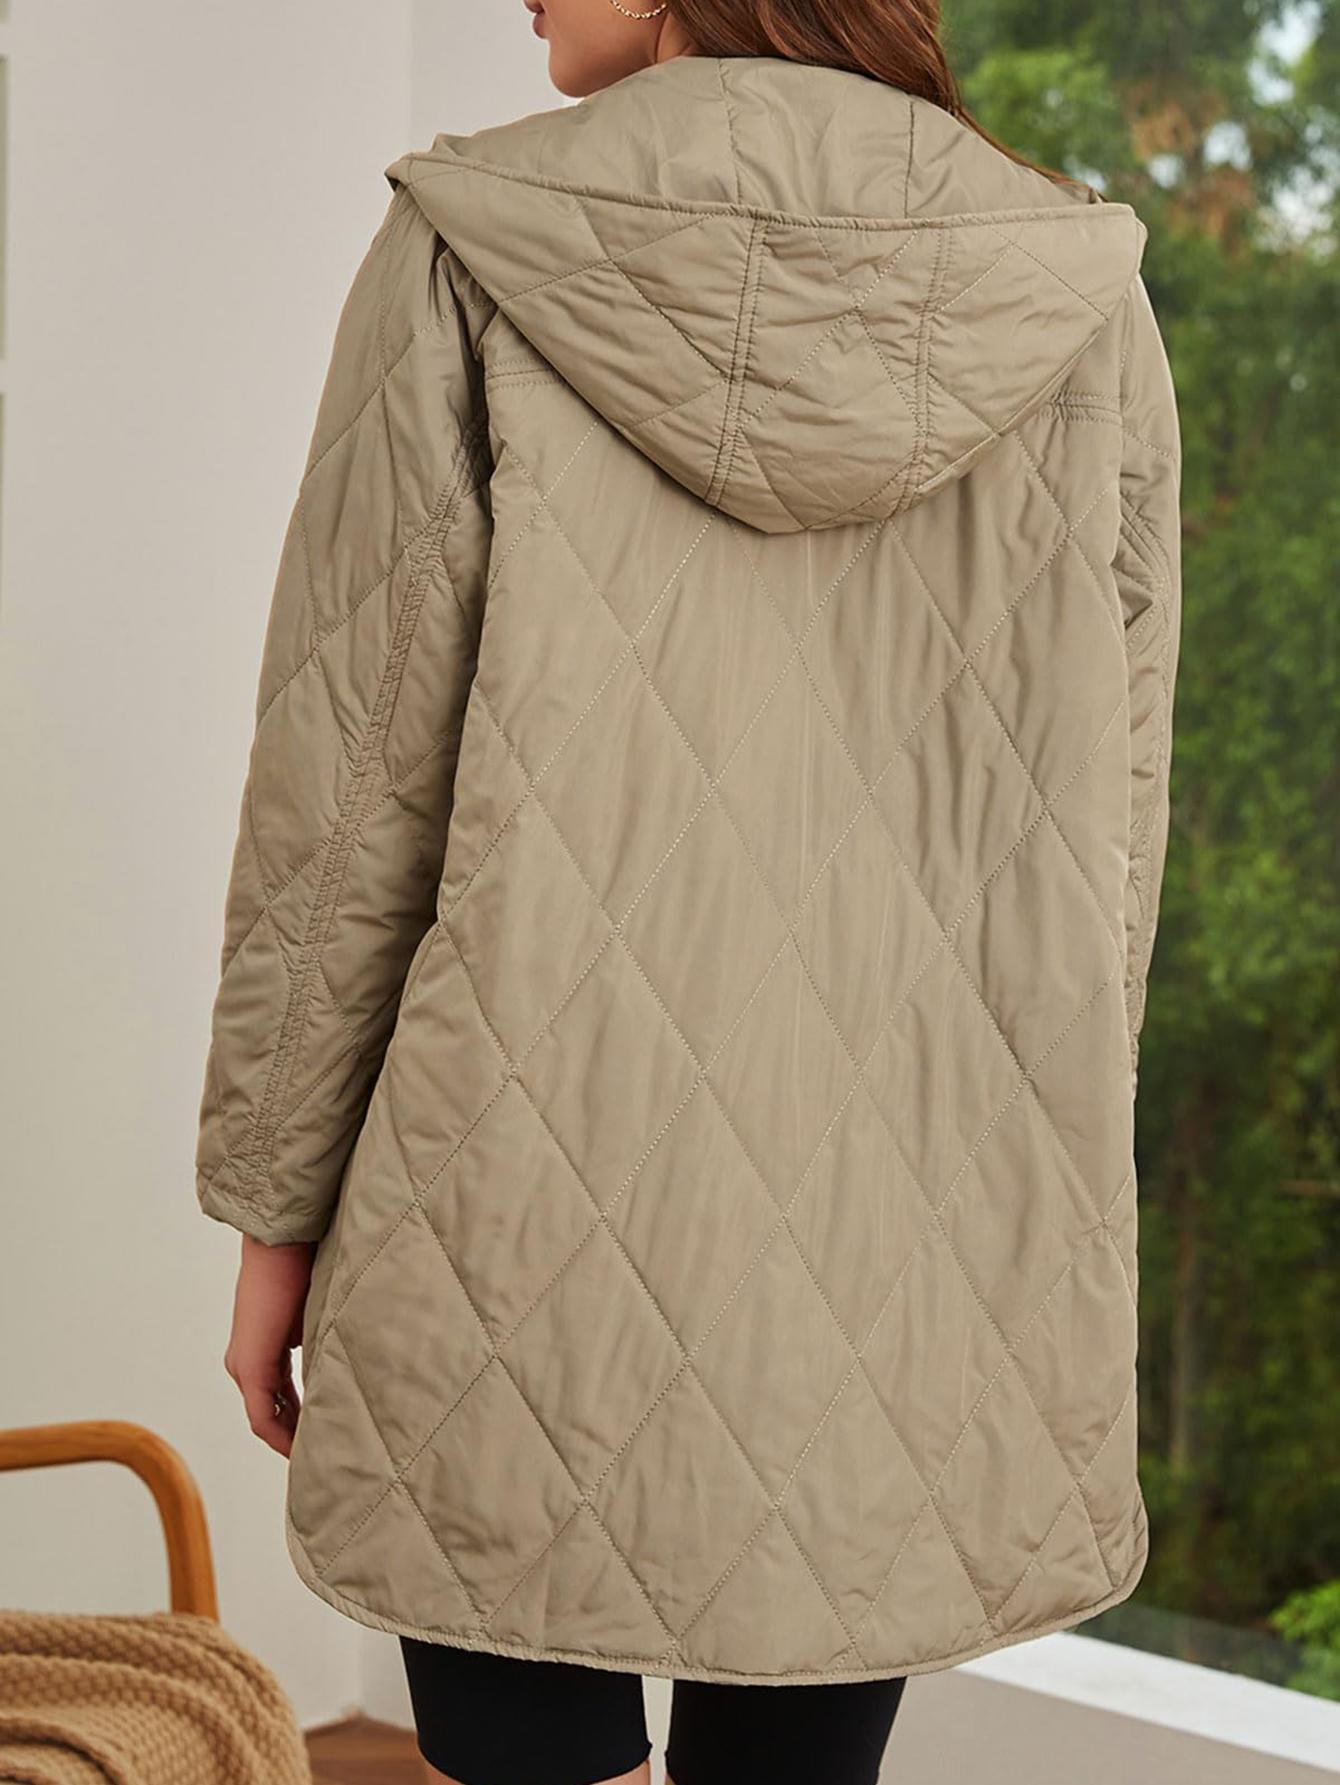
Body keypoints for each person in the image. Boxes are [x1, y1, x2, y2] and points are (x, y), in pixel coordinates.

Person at [196, 0, 1183, 1780]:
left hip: (510, 1207)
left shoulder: (468, 241)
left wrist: (277, 1213)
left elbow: (349, 787)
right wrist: (1048, 1183)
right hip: (913, 1218)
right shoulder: (1072, 285)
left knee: (522, 1748)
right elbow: (1108, 833)